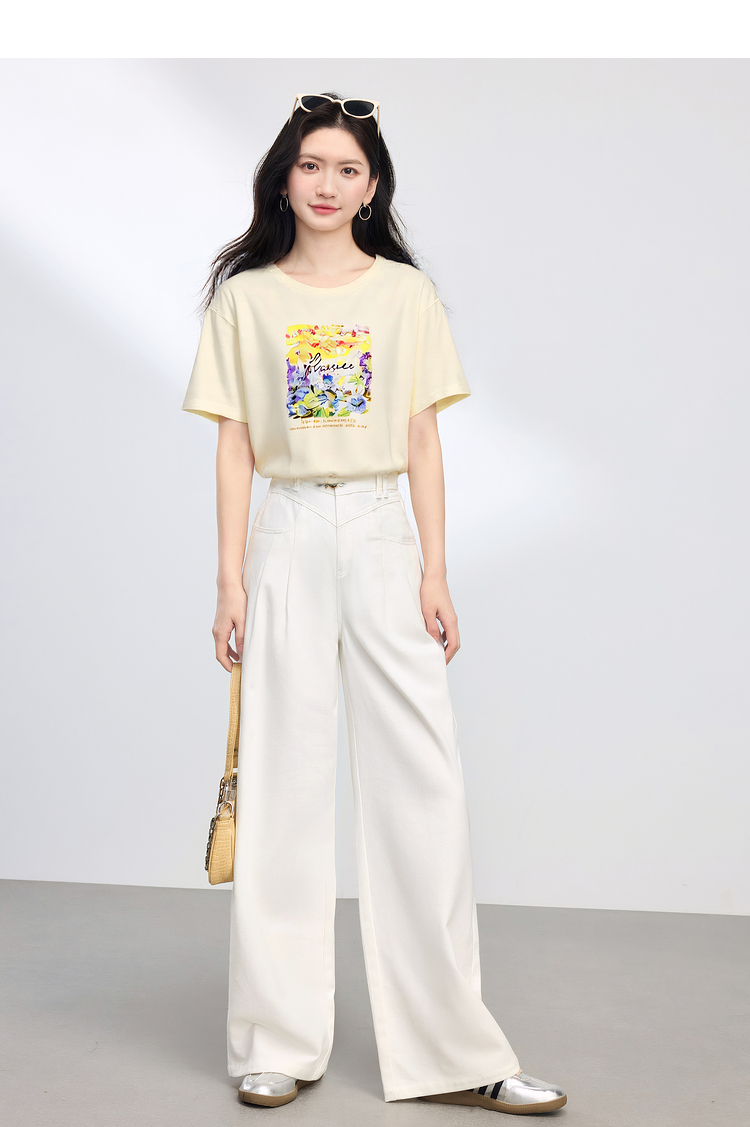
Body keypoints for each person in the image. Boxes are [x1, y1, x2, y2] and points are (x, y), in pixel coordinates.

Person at [181, 91, 567, 1115]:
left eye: (347, 169)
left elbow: (423, 437)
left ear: (374, 185)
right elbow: (233, 442)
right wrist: (229, 578)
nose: (327, 184)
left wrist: (435, 569)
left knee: (423, 785)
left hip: (385, 531)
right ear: (284, 176)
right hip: (288, 532)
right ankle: (274, 1040)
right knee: (282, 786)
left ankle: (456, 1051)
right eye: (311, 164)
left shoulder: (405, 294)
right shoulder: (246, 299)